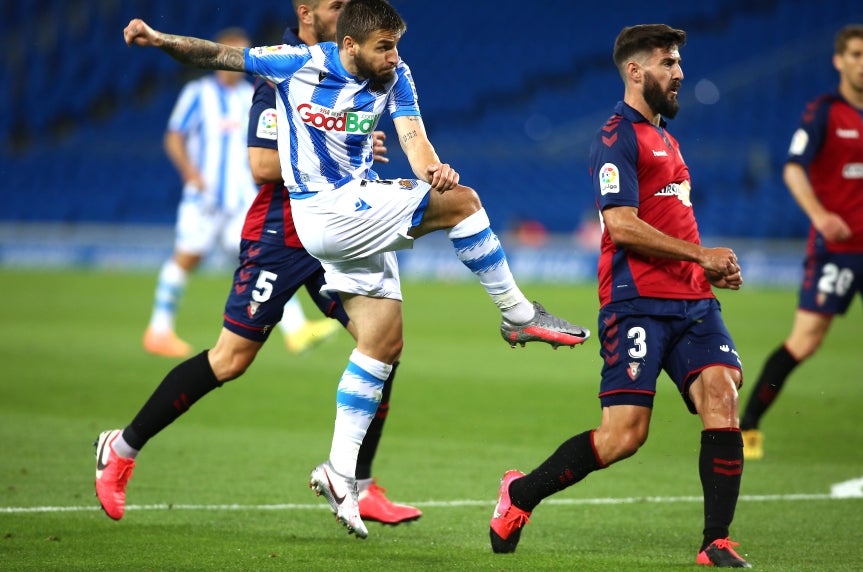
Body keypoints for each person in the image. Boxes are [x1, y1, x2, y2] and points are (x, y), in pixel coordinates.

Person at [122, 0, 590, 539]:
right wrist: (161, 40)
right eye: (384, 47)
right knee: (465, 205)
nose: (394, 56)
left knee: (382, 340)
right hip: (322, 213)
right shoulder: (297, 63)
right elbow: (216, 55)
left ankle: (340, 473)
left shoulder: (397, 75)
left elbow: (414, 140)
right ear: (349, 45)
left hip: (357, 206)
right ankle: (518, 314)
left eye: (396, 45)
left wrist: (434, 172)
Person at [95, 0, 421, 527]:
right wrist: (334, 134)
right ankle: (121, 447)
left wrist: (350, 136)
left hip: (338, 230)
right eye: (336, 6)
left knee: (383, 343)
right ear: (307, 13)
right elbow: (263, 164)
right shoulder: (281, 70)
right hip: (283, 235)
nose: (346, 13)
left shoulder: (353, 66)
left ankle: (358, 482)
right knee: (230, 360)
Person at [488, 25, 752, 567]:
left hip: (694, 302)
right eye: (668, 63)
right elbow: (621, 225)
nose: (679, 73)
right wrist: (701, 255)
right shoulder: (616, 137)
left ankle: (716, 542)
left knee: (722, 395)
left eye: (678, 63)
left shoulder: (668, 139)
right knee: (624, 436)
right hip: (636, 304)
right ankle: (520, 494)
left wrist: (707, 269)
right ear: (635, 71)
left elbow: (671, 220)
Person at [740, 24, 863, 461]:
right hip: (836, 251)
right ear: (839, 61)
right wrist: (821, 216)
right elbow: (793, 168)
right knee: (806, 341)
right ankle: (747, 425)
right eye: (857, 54)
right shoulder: (823, 113)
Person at [142, 26, 338, 359]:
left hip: (240, 200)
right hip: (205, 198)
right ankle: (159, 330)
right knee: (186, 258)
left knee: (268, 260)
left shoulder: (249, 93)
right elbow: (174, 136)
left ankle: (296, 331)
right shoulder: (198, 93)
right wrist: (191, 174)